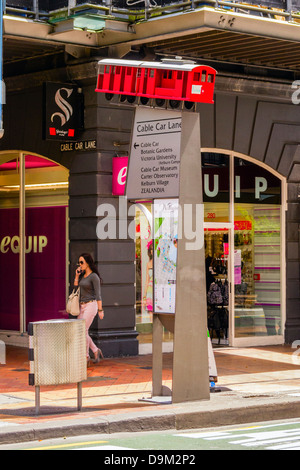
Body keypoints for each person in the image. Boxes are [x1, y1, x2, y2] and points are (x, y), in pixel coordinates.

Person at [74, 253, 104, 364]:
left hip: (91, 305)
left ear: (88, 262)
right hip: (82, 306)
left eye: (82, 262)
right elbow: (76, 287)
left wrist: (100, 310)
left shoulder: (94, 277)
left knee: (83, 330)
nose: (80, 264)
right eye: (79, 262)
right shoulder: (83, 276)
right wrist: (77, 276)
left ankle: (86, 357)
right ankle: (95, 350)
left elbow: (98, 294)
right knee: (81, 331)